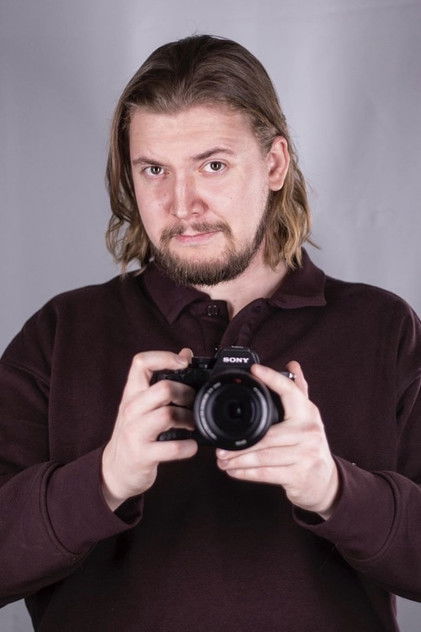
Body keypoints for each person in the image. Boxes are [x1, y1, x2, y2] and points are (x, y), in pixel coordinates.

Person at [0, 34, 420, 632]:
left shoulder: (383, 328)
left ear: (274, 165)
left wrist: (336, 490)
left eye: (213, 165)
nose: (182, 204)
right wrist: (103, 480)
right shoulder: (62, 332)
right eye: (154, 170)